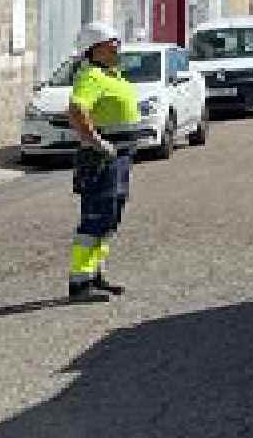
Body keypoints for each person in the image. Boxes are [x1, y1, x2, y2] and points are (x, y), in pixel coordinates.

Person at [62, 20, 145, 304]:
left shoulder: (111, 74)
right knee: (96, 218)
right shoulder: (91, 77)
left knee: (110, 217)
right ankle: (80, 282)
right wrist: (96, 142)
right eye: (112, 43)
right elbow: (76, 110)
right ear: (94, 49)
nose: (117, 47)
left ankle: (96, 274)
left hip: (119, 158)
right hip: (102, 159)